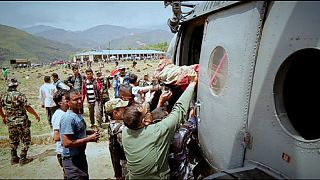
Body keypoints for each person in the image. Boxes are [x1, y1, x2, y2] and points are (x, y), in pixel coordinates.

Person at [122, 73, 197, 179]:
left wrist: (160, 102)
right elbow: (179, 111)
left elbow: (150, 121)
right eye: (148, 112)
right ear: (146, 121)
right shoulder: (157, 131)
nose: (150, 112)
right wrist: (192, 83)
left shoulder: (126, 131)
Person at [60, 88, 100, 179]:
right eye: (75, 99)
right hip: (72, 160)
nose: (79, 101)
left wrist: (89, 132)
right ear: (68, 102)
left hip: (80, 156)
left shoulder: (77, 114)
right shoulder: (68, 118)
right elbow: (67, 143)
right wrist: (89, 139)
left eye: (80, 98)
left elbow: (75, 132)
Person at [0, 78, 41, 165]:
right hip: (21, 121)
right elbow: (27, 107)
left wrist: (3, 116)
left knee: (13, 139)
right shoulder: (20, 95)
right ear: (16, 85)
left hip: (10, 122)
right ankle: (23, 158)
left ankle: (14, 157)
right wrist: (36, 114)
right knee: (26, 139)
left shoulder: (3, 96)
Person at [105, 98, 129, 180]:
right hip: (125, 165)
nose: (126, 109)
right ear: (116, 113)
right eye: (123, 108)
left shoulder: (113, 124)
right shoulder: (121, 129)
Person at [52, 89, 69, 179]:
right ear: (60, 103)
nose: (69, 101)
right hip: (63, 152)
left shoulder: (65, 113)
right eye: (66, 100)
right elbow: (57, 137)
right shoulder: (59, 115)